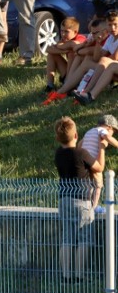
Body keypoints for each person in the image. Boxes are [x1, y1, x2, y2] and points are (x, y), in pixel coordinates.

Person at [54, 116, 99, 283]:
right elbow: (98, 167)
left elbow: (72, 153)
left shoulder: (59, 153)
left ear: (57, 137)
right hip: (82, 200)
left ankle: (66, 276)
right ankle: (80, 275)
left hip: (64, 198)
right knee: (84, 238)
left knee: (67, 238)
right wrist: (101, 148)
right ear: (76, 135)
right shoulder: (82, 153)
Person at [76, 114, 118, 211]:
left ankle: (89, 203)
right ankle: (94, 207)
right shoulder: (102, 131)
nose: (113, 133)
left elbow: (79, 144)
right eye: (114, 131)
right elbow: (107, 137)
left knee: (90, 184)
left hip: (85, 161)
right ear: (109, 127)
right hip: (94, 162)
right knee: (98, 185)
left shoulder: (89, 132)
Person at [44, 17, 86, 92]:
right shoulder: (64, 40)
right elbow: (48, 49)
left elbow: (74, 44)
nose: (63, 34)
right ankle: (50, 85)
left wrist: (62, 46)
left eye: (66, 32)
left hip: (80, 75)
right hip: (68, 71)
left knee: (71, 54)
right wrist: (64, 51)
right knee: (51, 54)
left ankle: (68, 82)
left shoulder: (80, 38)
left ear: (75, 32)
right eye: (61, 31)